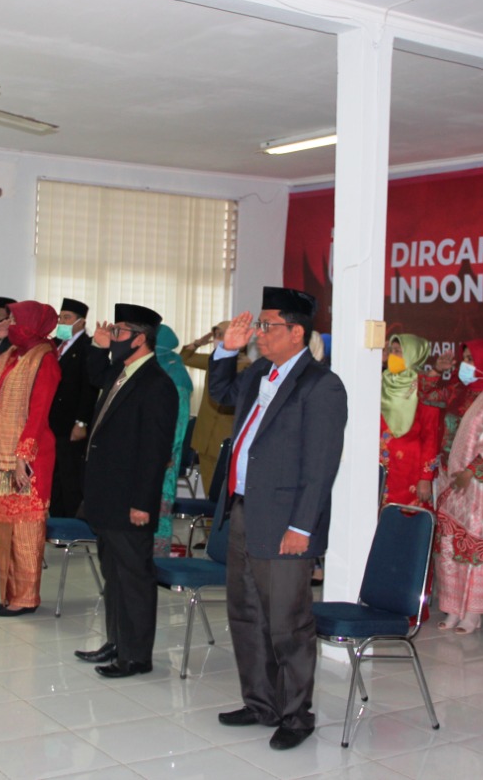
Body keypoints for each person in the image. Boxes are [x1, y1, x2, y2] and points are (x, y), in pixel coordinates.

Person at [209, 287, 347, 752]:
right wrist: (226, 350)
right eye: (259, 326)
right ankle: (260, 702)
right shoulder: (258, 373)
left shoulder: (321, 385)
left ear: (296, 333)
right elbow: (221, 393)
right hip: (244, 509)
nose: (259, 334)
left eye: (267, 326)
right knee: (246, 613)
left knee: (288, 622)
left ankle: (295, 714)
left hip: (286, 520)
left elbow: (321, 466)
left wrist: (302, 528)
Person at [74, 304, 178, 678]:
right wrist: (98, 346)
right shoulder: (120, 372)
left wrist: (142, 503)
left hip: (130, 501)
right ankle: (117, 642)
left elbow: (155, 452)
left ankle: (136, 656)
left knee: (134, 578)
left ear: (140, 338)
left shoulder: (157, 384)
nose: (113, 337)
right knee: (114, 575)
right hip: (107, 497)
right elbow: (94, 374)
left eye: (119, 332)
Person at [0, 301, 61, 616]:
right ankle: (8, 593)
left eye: (14, 319)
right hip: (4, 456)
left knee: (26, 529)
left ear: (31, 324)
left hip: (30, 458)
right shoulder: (12, 354)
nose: (10, 323)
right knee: (4, 528)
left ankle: (25, 597)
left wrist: (24, 454)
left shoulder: (45, 359)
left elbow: (39, 411)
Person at [429, 340, 483, 635]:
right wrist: (436, 371)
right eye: (464, 357)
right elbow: (428, 396)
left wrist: (470, 472)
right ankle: (452, 609)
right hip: (450, 482)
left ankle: (472, 614)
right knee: (450, 548)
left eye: (471, 358)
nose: (465, 363)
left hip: (479, 486)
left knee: (475, 549)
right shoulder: (458, 390)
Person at [181, 321, 248, 491]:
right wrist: (198, 343)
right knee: (208, 488)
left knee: (222, 489)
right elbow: (185, 358)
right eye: (216, 335)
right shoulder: (215, 361)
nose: (217, 339)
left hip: (225, 437)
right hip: (205, 437)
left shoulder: (248, 367)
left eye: (221, 335)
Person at [47, 297, 97, 518]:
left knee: (70, 476)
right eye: (60, 317)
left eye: (67, 318)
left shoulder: (87, 347)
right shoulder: (56, 344)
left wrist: (81, 422)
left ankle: (71, 524)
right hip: (52, 421)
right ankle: (56, 520)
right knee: (53, 474)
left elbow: (89, 389)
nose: (62, 322)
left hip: (71, 423)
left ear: (81, 322)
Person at [380, 333, 440, 510]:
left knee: (405, 516)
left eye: (398, 351)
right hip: (381, 462)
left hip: (409, 468)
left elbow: (431, 436)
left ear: (412, 354)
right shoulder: (382, 380)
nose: (392, 355)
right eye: (391, 350)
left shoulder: (425, 387)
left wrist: (425, 477)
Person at [154, 324, 194, 557]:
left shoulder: (176, 373)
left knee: (158, 509)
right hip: (144, 452)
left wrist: (167, 452)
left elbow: (179, 422)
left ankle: (159, 559)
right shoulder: (152, 368)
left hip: (164, 455)